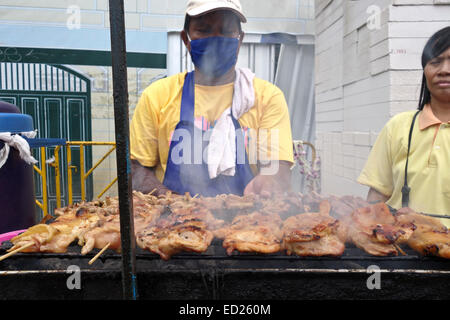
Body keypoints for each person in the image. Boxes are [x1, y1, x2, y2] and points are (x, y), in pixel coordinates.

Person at [130, 0, 294, 197]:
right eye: (204, 30)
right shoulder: (157, 96)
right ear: (186, 40)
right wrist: (174, 204)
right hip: (172, 221)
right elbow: (137, 170)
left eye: (226, 31)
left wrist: (270, 180)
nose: (216, 39)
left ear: (239, 40)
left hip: (248, 221)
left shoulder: (266, 97)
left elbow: (277, 168)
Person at [358, 26, 450, 227]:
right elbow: (376, 196)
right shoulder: (399, 127)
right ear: (425, 71)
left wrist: (426, 222)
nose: (444, 70)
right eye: (435, 62)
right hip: (403, 251)